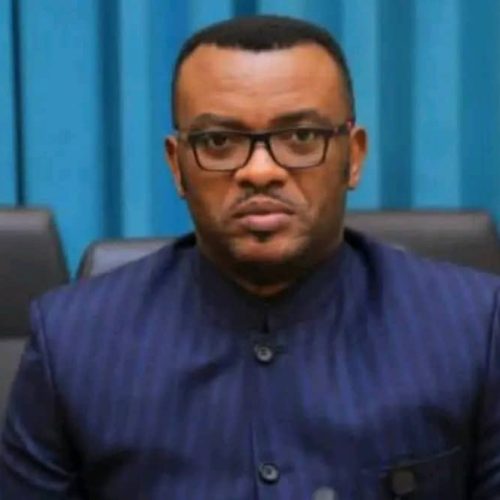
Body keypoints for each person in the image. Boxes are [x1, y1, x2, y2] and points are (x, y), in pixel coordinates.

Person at [1, 14, 499, 499]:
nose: (260, 171)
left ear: (354, 156)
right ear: (177, 166)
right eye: (219, 141)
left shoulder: (473, 329)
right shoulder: (71, 344)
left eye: (301, 137)